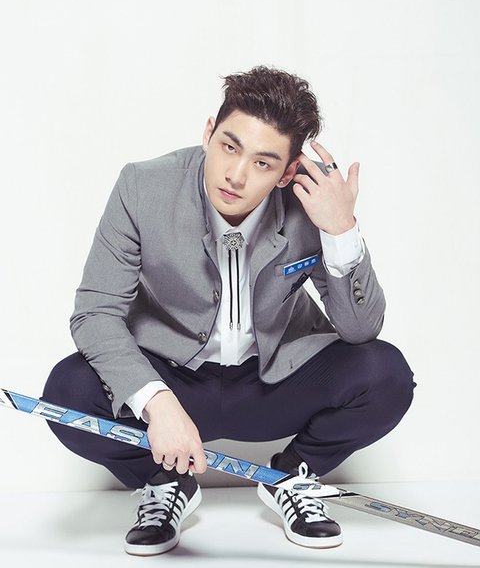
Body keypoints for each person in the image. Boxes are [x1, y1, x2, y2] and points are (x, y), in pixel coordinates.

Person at [42, 65, 416, 555]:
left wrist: (341, 231)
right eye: (229, 146)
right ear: (208, 133)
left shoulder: (311, 205)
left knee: (386, 374)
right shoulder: (142, 187)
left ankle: (289, 476)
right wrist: (155, 402)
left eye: (263, 163)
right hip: (174, 378)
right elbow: (95, 312)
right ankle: (165, 482)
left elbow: (360, 329)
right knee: (67, 392)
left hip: (273, 382)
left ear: (287, 173)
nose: (236, 175)